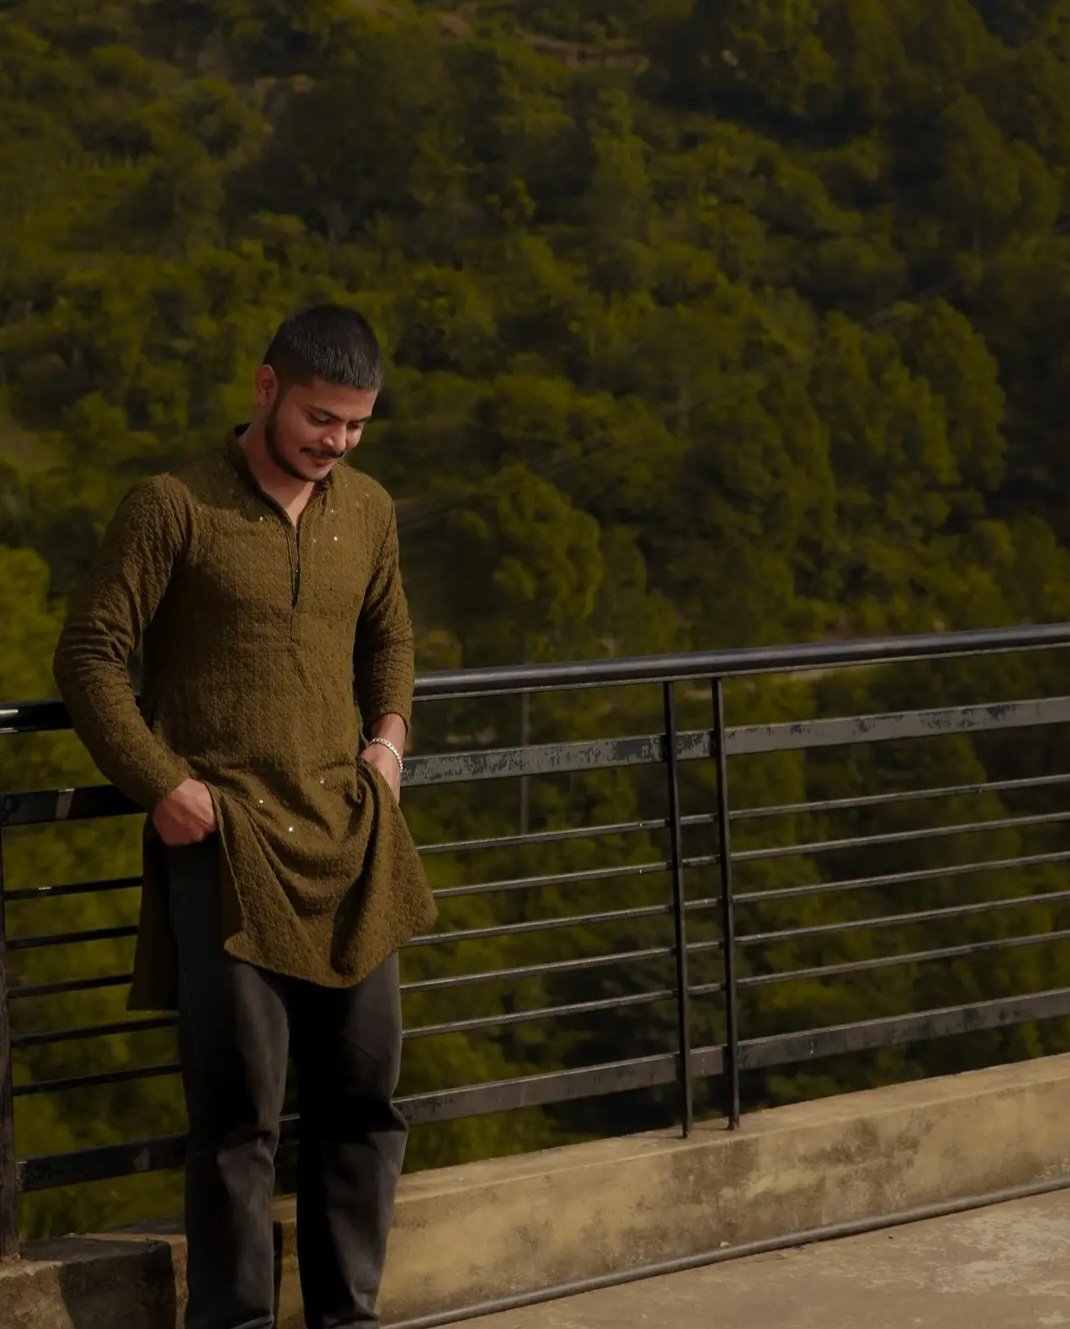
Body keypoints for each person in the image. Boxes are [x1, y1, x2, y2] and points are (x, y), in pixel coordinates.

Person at [53, 304, 438, 1329]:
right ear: (268, 389)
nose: (336, 441)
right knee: (237, 1120)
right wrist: (159, 781)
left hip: (350, 839)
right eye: (321, 418)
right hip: (223, 845)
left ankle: (348, 1317)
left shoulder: (369, 511)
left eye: (355, 425)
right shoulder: (172, 506)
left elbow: (390, 639)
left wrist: (389, 740)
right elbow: (89, 653)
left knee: (364, 1103)